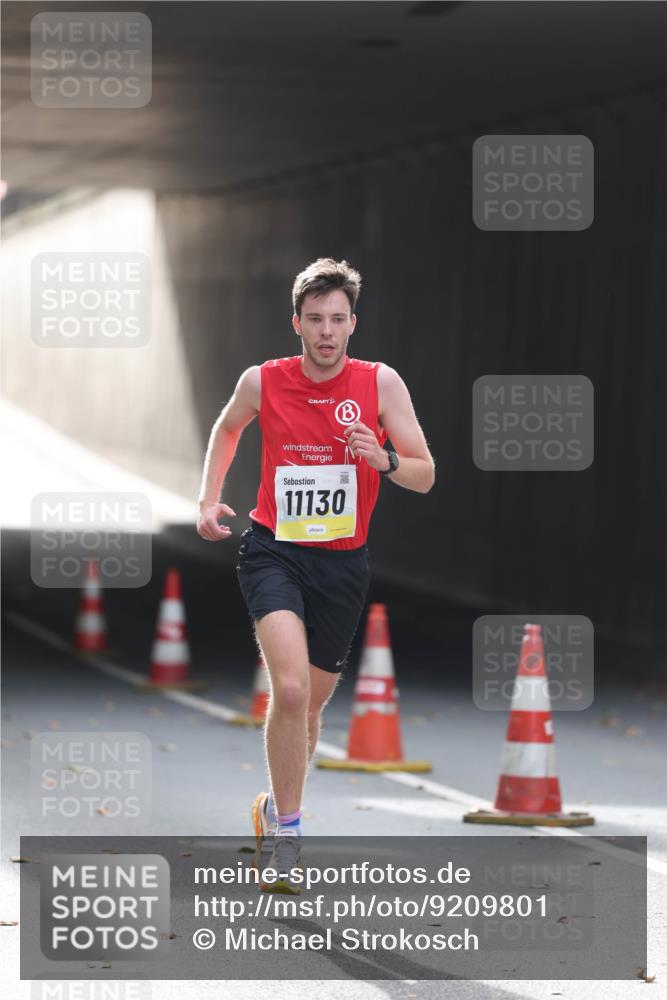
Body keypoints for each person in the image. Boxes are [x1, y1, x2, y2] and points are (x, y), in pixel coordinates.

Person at [196, 257, 435, 893]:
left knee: (310, 711)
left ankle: (275, 806)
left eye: (337, 320)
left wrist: (383, 458)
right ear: (296, 322)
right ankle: (290, 833)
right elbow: (226, 430)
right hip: (274, 549)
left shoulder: (380, 384)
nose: (326, 331)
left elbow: (424, 471)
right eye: (314, 319)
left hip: (342, 564)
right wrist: (208, 498)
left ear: (353, 323)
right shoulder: (264, 381)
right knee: (292, 690)